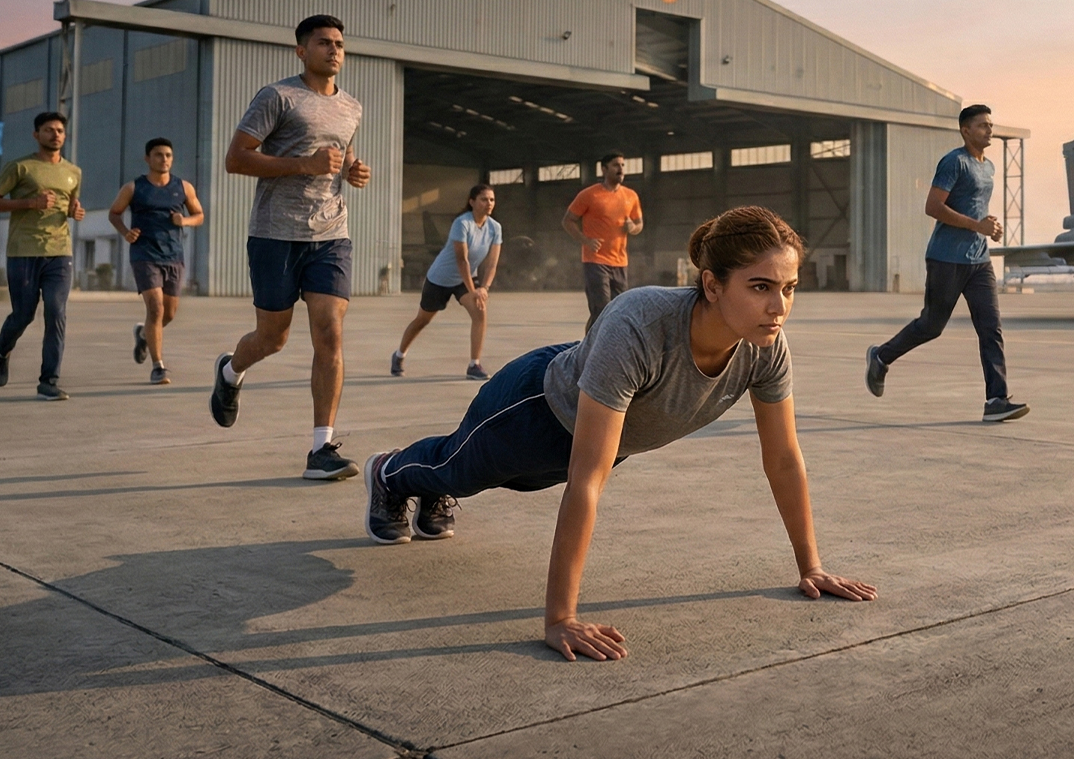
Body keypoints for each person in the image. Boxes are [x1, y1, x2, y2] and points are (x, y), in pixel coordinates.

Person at [363, 206, 876, 661]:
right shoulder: (641, 324)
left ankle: (430, 491)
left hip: (602, 436)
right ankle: (389, 474)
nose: (779, 307)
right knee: (457, 469)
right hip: (534, 410)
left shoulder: (766, 349)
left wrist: (812, 567)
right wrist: (560, 619)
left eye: (789, 288)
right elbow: (588, 477)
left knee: (486, 479)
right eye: (760, 287)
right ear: (713, 284)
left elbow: (784, 458)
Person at [208, 14, 371, 481]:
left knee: (329, 332)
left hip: (331, 235)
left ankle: (322, 448)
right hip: (275, 233)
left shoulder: (352, 107)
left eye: (339, 43)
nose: (334, 50)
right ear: (302, 51)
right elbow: (236, 159)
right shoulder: (277, 96)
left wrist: (353, 172)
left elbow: (341, 157)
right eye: (323, 43)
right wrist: (305, 165)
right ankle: (230, 372)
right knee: (272, 337)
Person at [865, 104, 1027, 423]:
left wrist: (988, 227)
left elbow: (975, 209)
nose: (989, 130)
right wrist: (974, 225)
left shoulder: (989, 167)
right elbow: (933, 206)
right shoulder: (955, 162)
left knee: (990, 328)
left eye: (991, 125)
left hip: (978, 260)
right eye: (982, 126)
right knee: (932, 325)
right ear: (966, 131)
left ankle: (996, 399)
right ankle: (881, 356)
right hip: (946, 258)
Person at [0, 111, 84, 401]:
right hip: (23, 252)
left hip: (59, 252)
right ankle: (1, 350)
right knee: (24, 314)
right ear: (36, 135)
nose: (55, 134)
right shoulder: (20, 168)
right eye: (49, 130)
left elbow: (70, 206)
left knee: (56, 312)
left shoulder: (73, 172)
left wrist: (75, 212)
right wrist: (31, 202)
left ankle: (48, 381)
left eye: (60, 130)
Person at [107, 137, 204, 385]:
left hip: (173, 255)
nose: (164, 159)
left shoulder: (183, 187)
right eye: (159, 155)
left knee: (168, 313)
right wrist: (125, 232)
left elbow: (199, 215)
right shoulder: (134, 188)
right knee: (156, 308)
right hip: (144, 255)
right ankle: (158, 366)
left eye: (168, 155)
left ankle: (142, 334)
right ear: (148, 158)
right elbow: (114, 213)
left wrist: (185, 221)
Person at [392, 183, 503, 381]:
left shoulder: (495, 228)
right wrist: (473, 289)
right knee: (422, 320)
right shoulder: (462, 223)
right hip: (440, 278)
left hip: (465, 278)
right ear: (472, 202)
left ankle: (474, 364)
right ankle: (399, 355)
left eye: (492, 200)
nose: (489, 203)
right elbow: (462, 260)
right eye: (484, 199)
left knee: (480, 312)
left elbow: (492, 263)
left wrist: (484, 288)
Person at [563, 152, 643, 329]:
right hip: (595, 261)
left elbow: (639, 224)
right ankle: (592, 350)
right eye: (615, 165)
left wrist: (633, 228)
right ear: (604, 169)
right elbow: (568, 220)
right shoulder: (590, 195)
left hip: (620, 262)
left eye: (622, 165)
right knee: (601, 310)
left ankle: (606, 347)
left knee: (619, 310)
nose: (620, 169)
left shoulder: (631, 196)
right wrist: (585, 240)